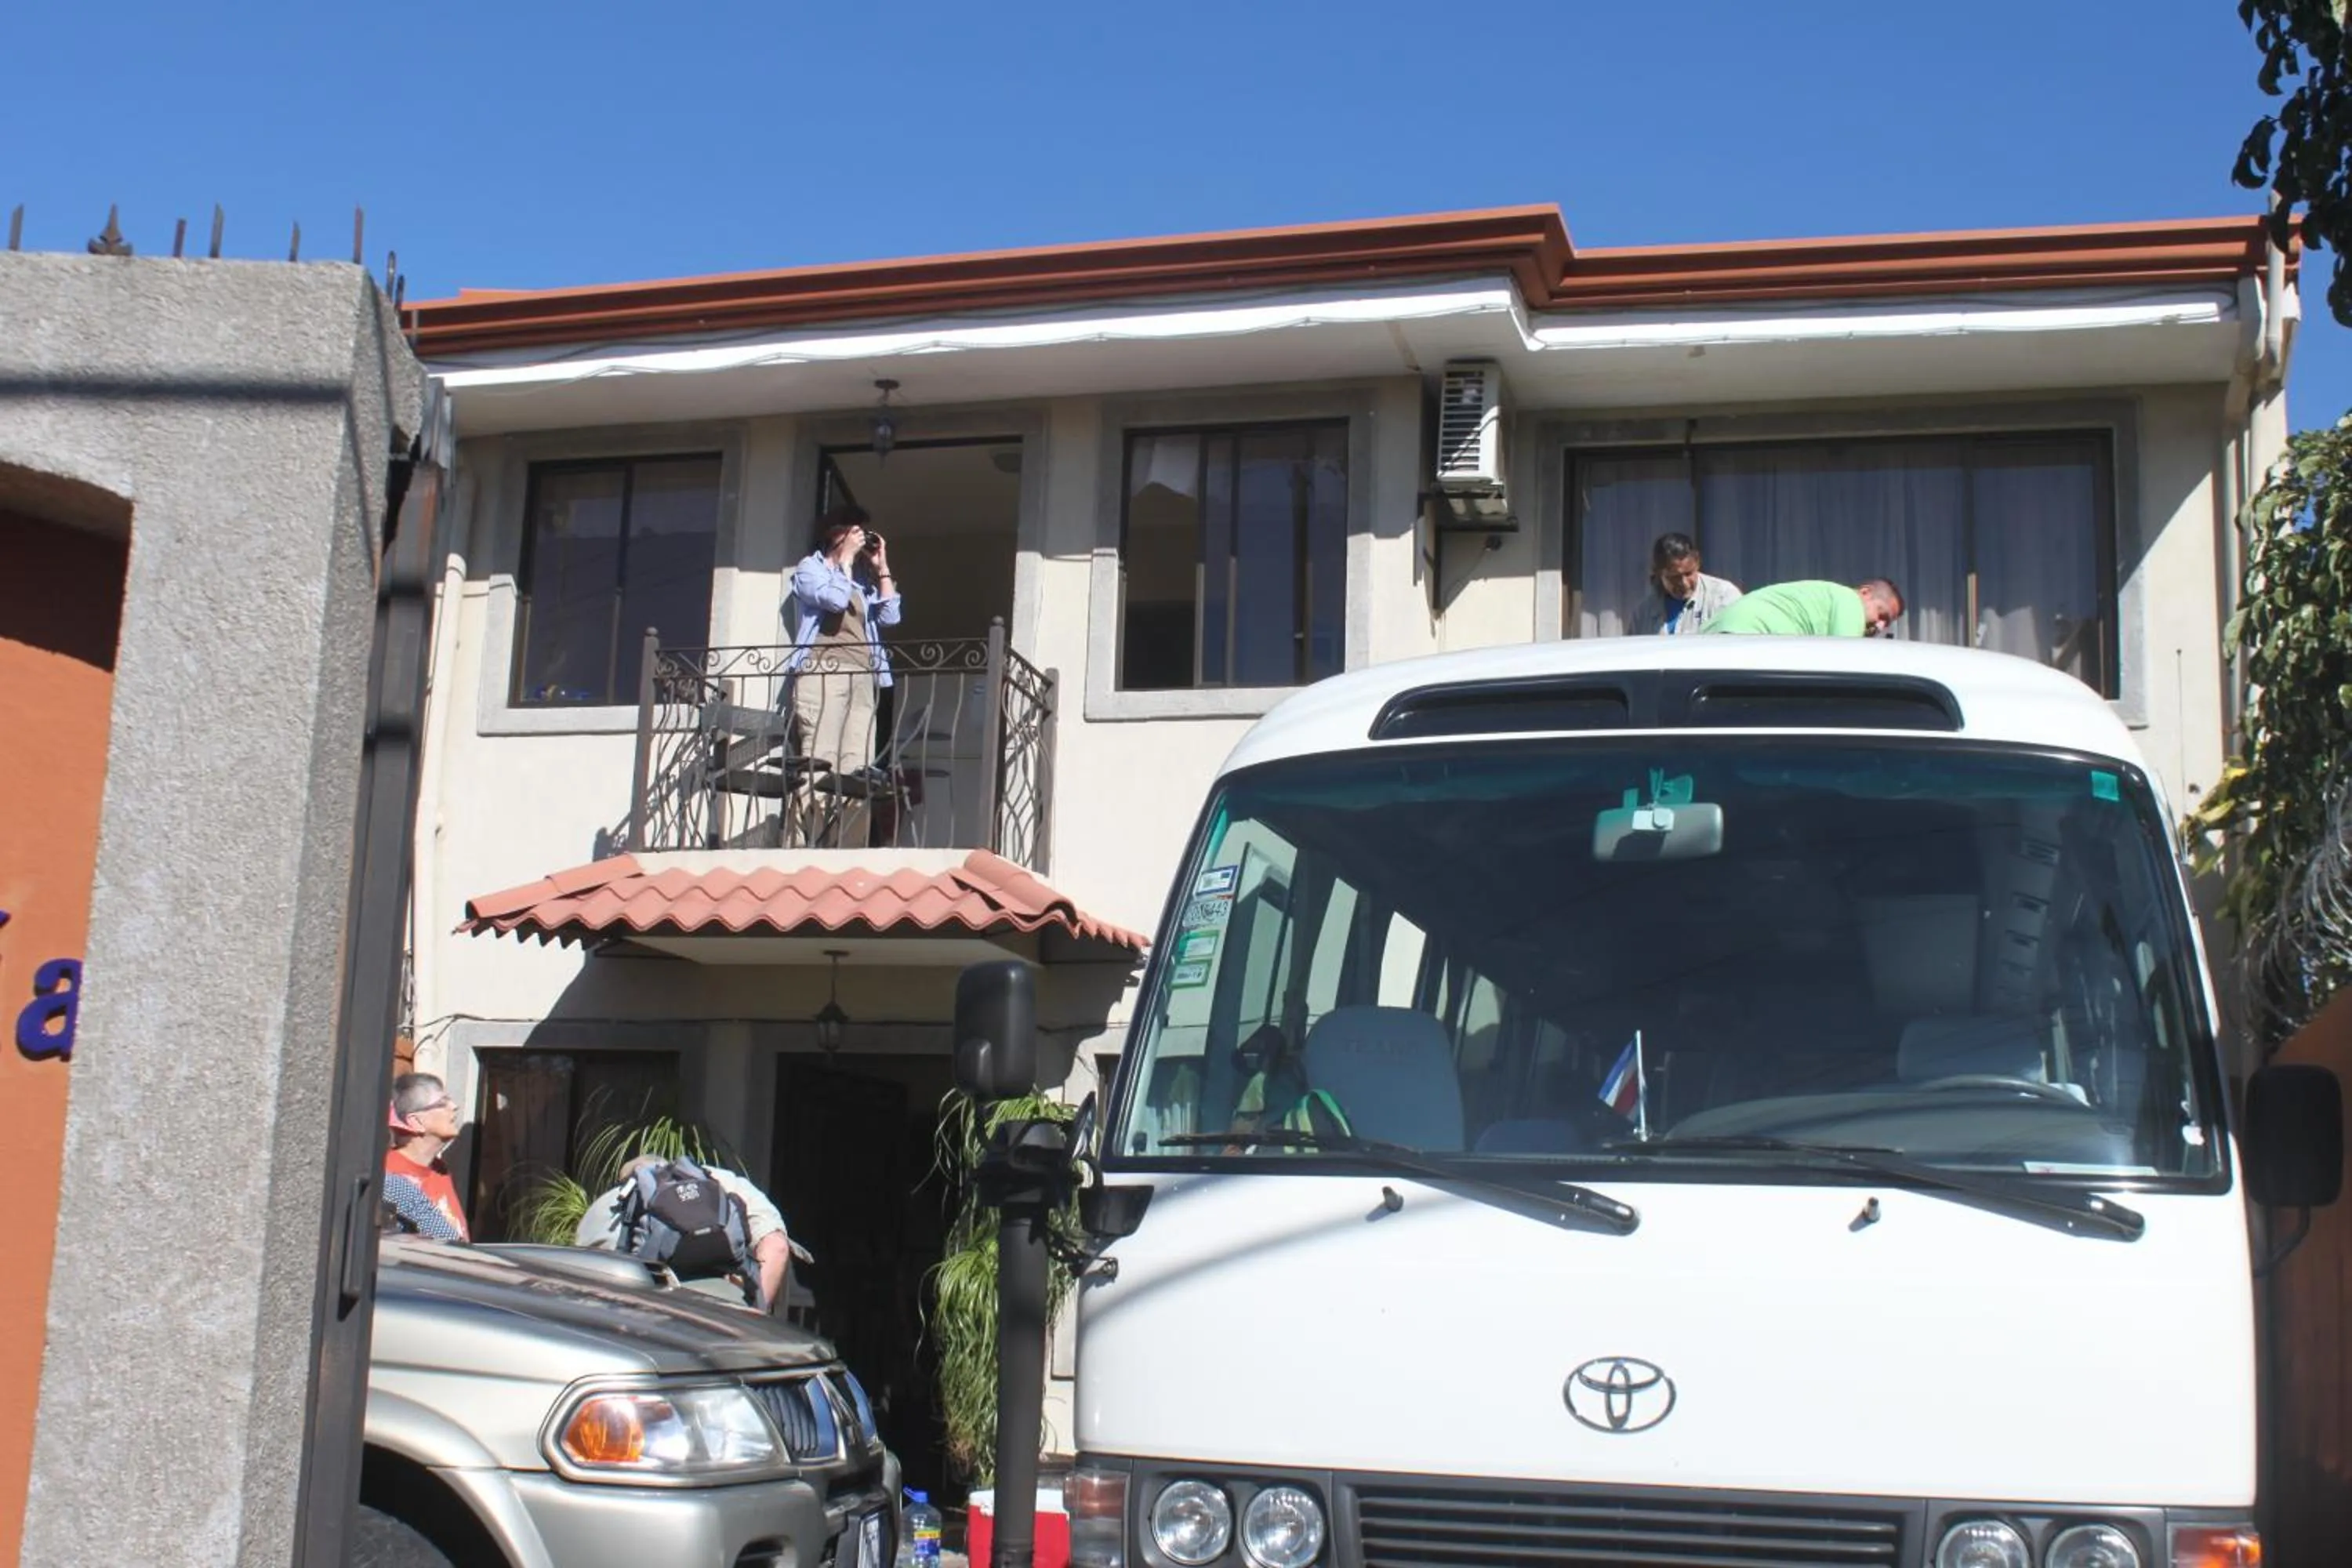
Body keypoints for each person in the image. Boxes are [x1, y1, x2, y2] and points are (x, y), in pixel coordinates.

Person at [782, 505, 903, 847]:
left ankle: (847, 849)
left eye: (861, 531)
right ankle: (808, 843)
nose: (858, 536)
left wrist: (881, 569)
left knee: (857, 765)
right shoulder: (810, 569)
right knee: (819, 759)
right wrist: (845, 562)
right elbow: (834, 601)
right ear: (833, 534)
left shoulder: (862, 581)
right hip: (823, 671)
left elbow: (891, 616)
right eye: (852, 530)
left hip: (864, 678)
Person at [575, 1154, 807, 1312]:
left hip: (646, 1326)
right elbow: (777, 1247)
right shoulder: (723, 1183)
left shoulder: (609, 1205)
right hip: (725, 1316)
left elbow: (584, 1287)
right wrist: (755, 1318)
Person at [386, 1073, 470, 1241]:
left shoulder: (439, 1169)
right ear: (416, 1122)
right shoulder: (387, 1174)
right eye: (442, 1103)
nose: (454, 1106)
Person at [1700, 578, 1904, 638]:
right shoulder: (1849, 601)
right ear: (1866, 592)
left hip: (1717, 633)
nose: (1880, 626)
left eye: (1887, 624)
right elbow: (1847, 660)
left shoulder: (1827, 596)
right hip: (1748, 635)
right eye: (1882, 614)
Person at [1628, 533, 1741, 635]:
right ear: (1659, 573)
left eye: (1689, 574)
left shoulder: (1723, 596)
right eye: (1674, 577)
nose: (1684, 584)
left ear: (1697, 563)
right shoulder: (1643, 614)